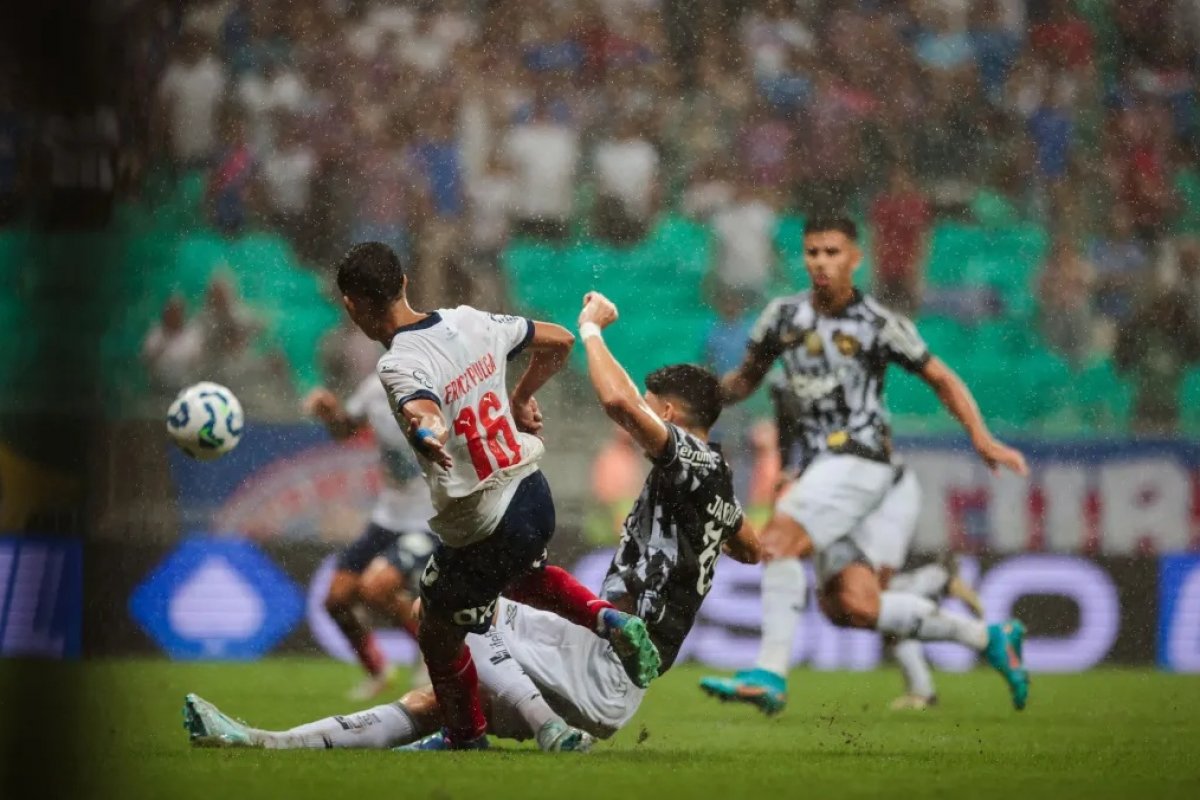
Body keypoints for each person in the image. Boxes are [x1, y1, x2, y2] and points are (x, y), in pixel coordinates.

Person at [183, 292, 761, 753]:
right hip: (604, 675)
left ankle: (543, 727)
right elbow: (750, 547)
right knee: (437, 693)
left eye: (649, 402)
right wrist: (709, 543)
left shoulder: (691, 457)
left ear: (667, 413)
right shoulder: (714, 482)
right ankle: (263, 741)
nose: (636, 414)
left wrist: (591, 328)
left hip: (601, 668)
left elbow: (618, 403)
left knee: (447, 614)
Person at [332, 242, 661, 750]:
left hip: (483, 518)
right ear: (403, 283)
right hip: (532, 493)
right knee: (521, 574)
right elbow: (560, 341)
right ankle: (607, 618)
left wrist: (428, 432)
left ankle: (466, 737)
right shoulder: (468, 319)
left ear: (352, 306)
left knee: (437, 628)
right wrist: (522, 394)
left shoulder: (398, 362)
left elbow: (422, 408)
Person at [697, 217, 1031, 715]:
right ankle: (988, 637)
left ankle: (769, 673)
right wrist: (699, 397)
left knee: (778, 540)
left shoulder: (878, 324)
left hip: (859, 458)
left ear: (856, 258)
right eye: (812, 252)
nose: (821, 263)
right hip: (816, 469)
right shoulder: (781, 316)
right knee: (852, 607)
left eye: (832, 252)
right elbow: (745, 381)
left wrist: (981, 437)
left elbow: (941, 378)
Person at [302, 376, 437, 700]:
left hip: (430, 519)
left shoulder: (439, 381)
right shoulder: (375, 386)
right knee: (335, 600)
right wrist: (330, 413)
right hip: (388, 516)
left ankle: (434, 653)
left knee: (377, 588)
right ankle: (379, 670)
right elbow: (346, 430)